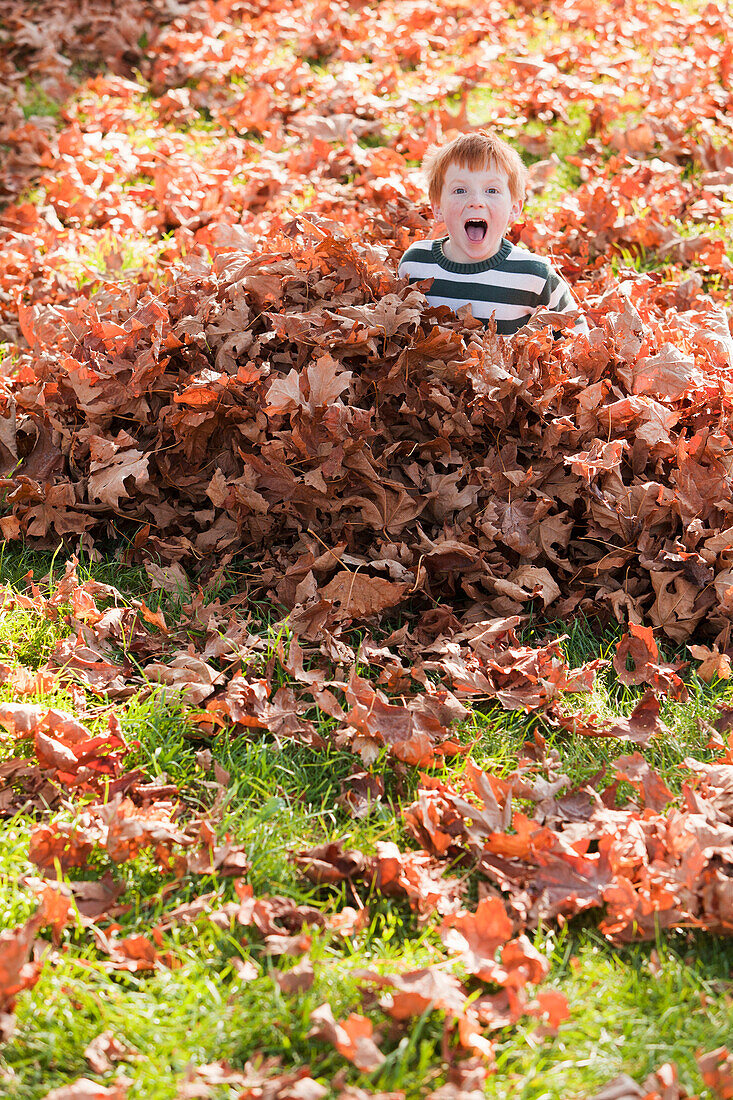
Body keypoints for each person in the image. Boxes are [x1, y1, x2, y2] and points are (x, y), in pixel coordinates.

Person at [399, 130, 589, 337]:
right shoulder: (415, 265)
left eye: (492, 190)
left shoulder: (534, 276)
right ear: (437, 208)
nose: (476, 201)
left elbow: (578, 340)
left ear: (515, 208)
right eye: (460, 190)